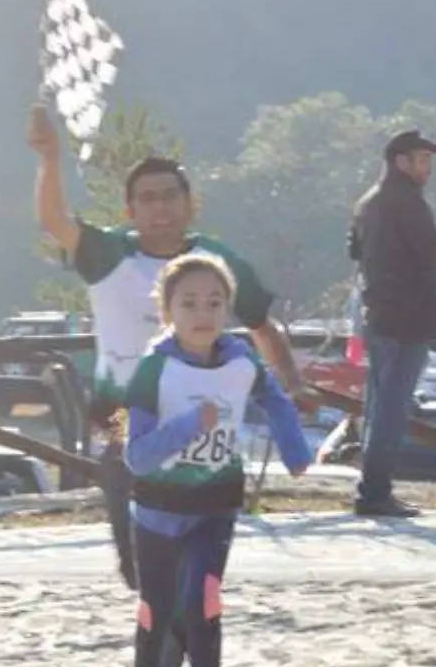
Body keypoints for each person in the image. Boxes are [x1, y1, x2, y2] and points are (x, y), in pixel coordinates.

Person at [29, 103, 307, 590]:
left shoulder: (217, 260)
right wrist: (50, 159)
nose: (159, 207)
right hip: (121, 413)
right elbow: (55, 221)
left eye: (169, 196)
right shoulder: (107, 253)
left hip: (203, 416)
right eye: (147, 198)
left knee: (193, 545)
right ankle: (151, 612)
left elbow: (263, 325)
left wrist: (293, 383)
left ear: (190, 203)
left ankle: (182, 622)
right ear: (130, 210)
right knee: (134, 530)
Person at [120, 253, 311, 667]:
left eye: (214, 302)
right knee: (159, 609)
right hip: (159, 511)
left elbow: (274, 399)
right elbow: (137, 457)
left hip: (215, 505)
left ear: (227, 309)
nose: (203, 312)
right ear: (167, 311)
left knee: (203, 603)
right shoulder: (153, 369)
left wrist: (295, 449)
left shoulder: (240, 360)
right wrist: (188, 427)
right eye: (189, 303)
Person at [346, 128, 436, 518]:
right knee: (392, 408)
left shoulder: (369, 202)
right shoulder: (403, 201)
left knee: (380, 405)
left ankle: (372, 490)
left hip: (380, 315)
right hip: (405, 319)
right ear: (400, 161)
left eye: (429, 159)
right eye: (421, 159)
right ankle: (374, 493)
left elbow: (355, 251)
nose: (428, 167)